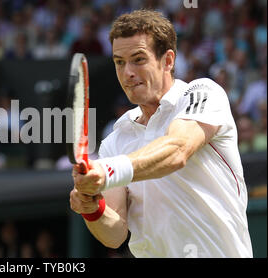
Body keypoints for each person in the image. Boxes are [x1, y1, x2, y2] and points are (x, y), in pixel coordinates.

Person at [69, 10, 253, 258]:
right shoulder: (115, 141)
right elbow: (115, 236)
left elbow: (177, 150)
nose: (127, 73)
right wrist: (92, 208)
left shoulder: (202, 93)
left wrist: (108, 171)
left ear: (167, 61)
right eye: (119, 62)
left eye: (138, 59)